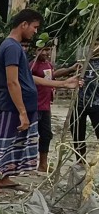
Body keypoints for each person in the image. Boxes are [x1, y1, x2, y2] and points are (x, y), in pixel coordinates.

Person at [0, 9, 80, 194]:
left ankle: (3, 177)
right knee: (2, 142)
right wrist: (21, 111)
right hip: (11, 106)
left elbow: (28, 78)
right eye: (35, 27)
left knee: (15, 143)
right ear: (24, 24)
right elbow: (12, 82)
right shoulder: (11, 47)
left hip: (22, 105)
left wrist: (63, 83)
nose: (35, 32)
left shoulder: (16, 48)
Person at [31, 43, 81, 172]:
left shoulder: (47, 65)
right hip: (33, 106)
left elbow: (53, 75)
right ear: (35, 51)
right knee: (28, 135)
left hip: (45, 106)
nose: (44, 52)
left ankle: (42, 164)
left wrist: (70, 69)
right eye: (41, 49)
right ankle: (23, 164)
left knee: (46, 135)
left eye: (47, 49)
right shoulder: (31, 66)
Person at [71, 46, 99, 163]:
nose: (96, 47)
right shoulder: (81, 62)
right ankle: (81, 162)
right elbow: (60, 73)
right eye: (95, 43)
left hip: (97, 104)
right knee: (77, 136)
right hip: (79, 104)